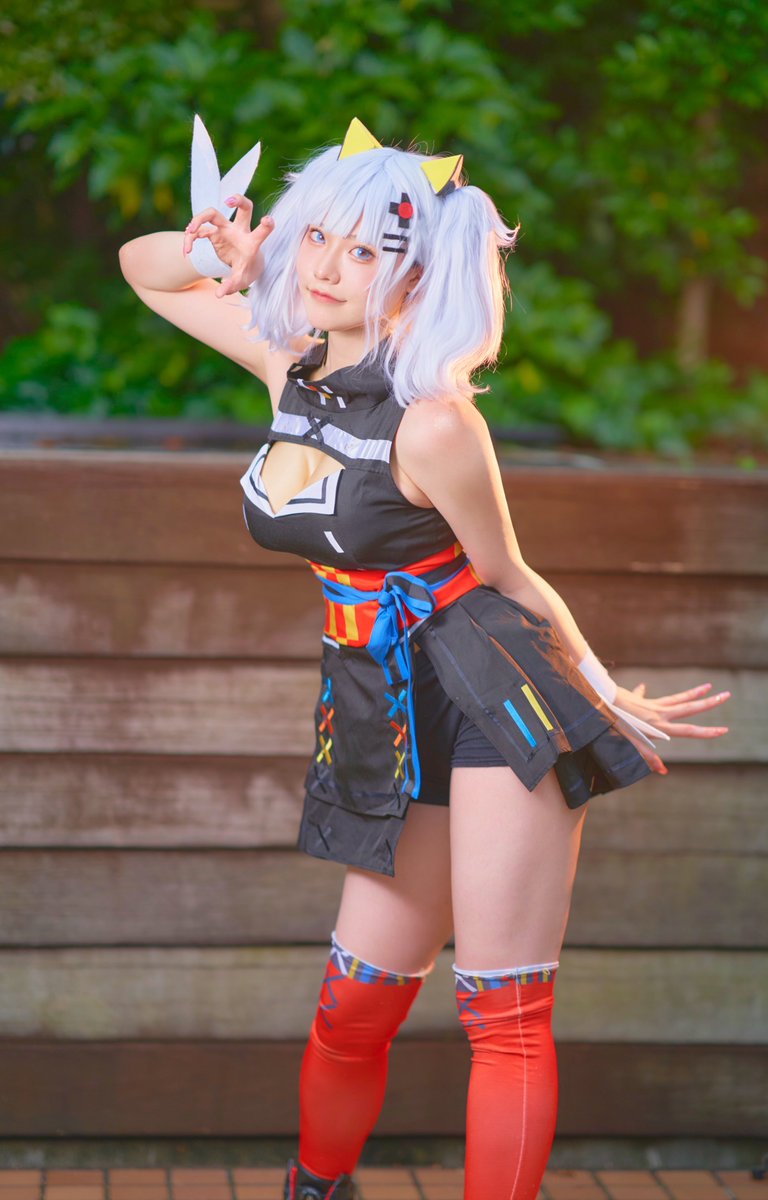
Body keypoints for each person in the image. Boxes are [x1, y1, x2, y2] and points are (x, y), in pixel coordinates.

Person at [120, 115, 731, 1200]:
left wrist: (600, 688)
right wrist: (231, 249)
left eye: (364, 250)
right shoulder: (289, 362)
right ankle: (317, 1189)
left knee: (502, 1009)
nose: (326, 267)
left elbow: (510, 579)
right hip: (377, 698)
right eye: (318, 237)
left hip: (491, 696)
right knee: (354, 1001)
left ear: (413, 275)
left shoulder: (436, 423)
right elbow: (144, 272)